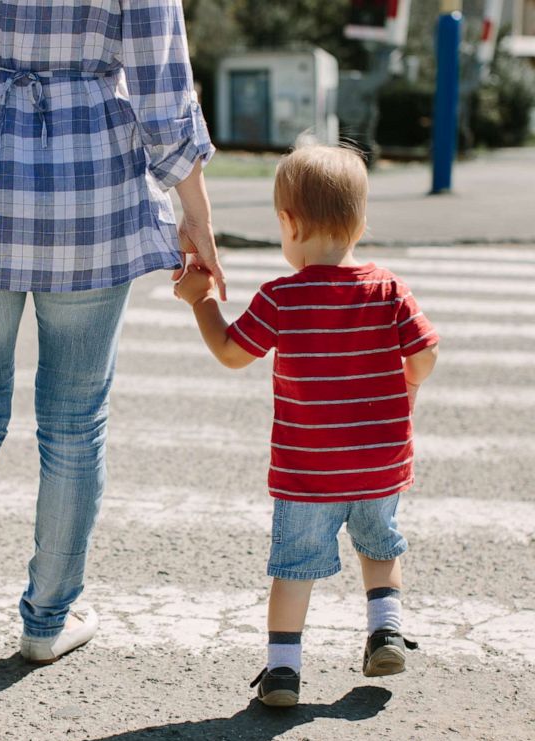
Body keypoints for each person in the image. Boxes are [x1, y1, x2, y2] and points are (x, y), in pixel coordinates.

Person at [0, 0, 225, 719]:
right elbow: (162, 92)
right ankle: (48, 621)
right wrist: (196, 210)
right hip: (88, 196)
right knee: (73, 423)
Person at [174, 143, 440, 707]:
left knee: (294, 569)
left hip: (306, 471)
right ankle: (385, 632)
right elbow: (425, 355)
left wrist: (200, 300)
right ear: (361, 224)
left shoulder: (282, 297)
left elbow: (229, 352)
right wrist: (409, 390)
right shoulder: (389, 289)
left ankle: (283, 672)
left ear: (288, 224)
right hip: (379, 463)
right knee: (380, 548)